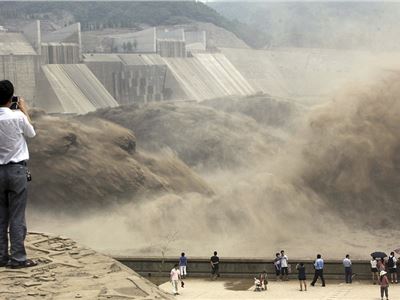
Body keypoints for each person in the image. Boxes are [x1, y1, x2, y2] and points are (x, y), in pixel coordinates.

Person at [0, 80, 36, 269]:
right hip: (16, 171)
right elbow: (31, 134)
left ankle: (1, 257)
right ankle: (18, 258)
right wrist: (23, 110)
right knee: (16, 216)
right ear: (10, 97)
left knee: (1, 216)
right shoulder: (17, 117)